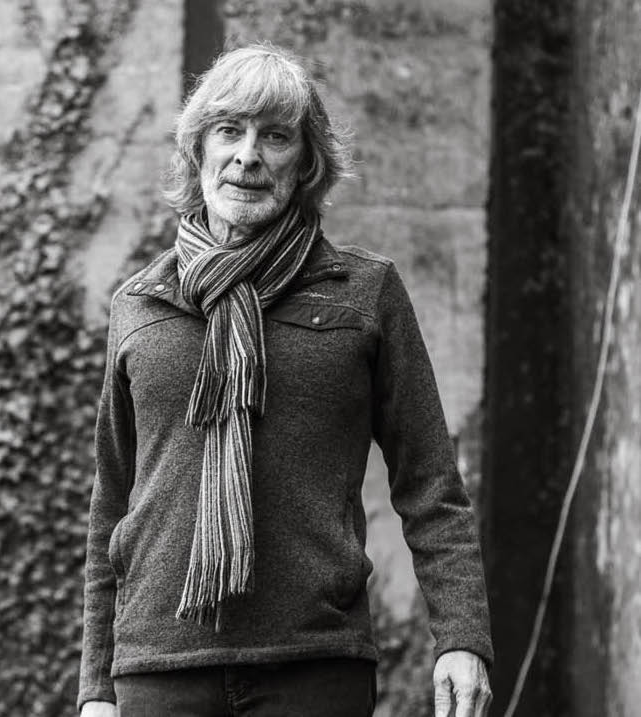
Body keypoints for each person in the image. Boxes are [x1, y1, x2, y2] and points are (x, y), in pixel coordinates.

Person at [77, 44, 494, 717]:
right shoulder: (139, 303)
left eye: (275, 136)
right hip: (159, 669)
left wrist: (462, 636)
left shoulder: (365, 293)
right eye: (229, 131)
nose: (248, 155)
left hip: (315, 666)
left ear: (305, 162)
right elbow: (112, 501)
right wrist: (95, 686)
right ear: (198, 149)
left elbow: (431, 483)